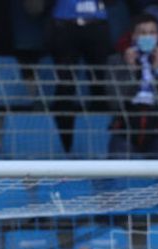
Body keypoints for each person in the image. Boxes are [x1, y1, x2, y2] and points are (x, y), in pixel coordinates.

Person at [105, 13, 158, 158]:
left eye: (152, 33)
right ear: (133, 36)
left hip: (156, 127)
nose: (147, 37)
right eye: (142, 33)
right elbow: (114, 102)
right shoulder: (116, 61)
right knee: (115, 172)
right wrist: (131, 71)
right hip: (125, 126)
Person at [47, 0, 113, 154]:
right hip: (64, 25)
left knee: (100, 86)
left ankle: (100, 147)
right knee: (65, 86)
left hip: (97, 24)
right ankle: (65, 146)